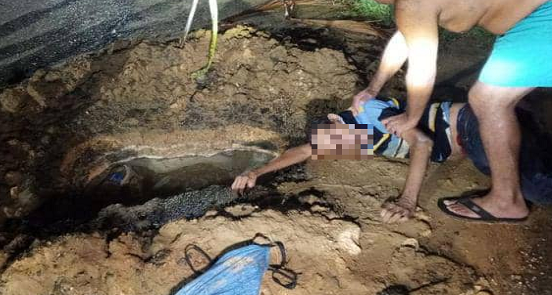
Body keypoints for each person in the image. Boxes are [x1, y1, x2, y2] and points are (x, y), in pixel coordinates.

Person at [345, 0, 552, 222]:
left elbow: (423, 68)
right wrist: (373, 87)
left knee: (487, 100)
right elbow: (406, 37)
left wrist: (411, 118)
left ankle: (507, 202)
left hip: (546, 11)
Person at [231, 98, 552, 223]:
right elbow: (304, 150)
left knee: (536, 188)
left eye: (333, 132)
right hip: (471, 140)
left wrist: (408, 200)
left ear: (335, 117)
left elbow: (423, 143)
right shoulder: (351, 138)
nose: (334, 144)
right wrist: (258, 171)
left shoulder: (366, 112)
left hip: (473, 123)